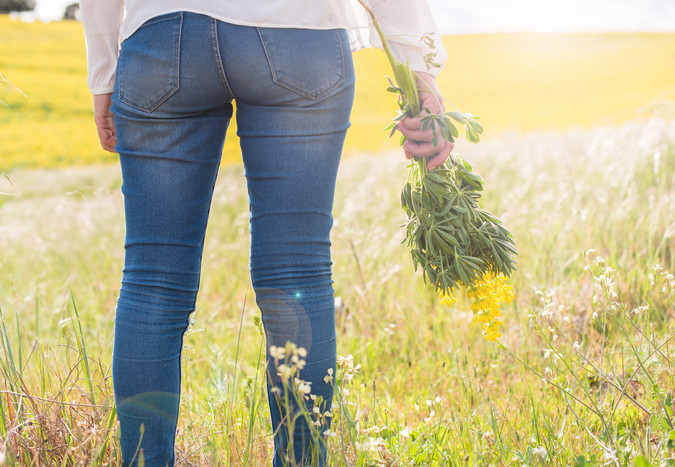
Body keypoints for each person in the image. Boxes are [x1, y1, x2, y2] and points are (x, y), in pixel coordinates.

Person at [79, 0, 452, 465]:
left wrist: (104, 74)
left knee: (153, 281)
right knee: (298, 270)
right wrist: (423, 76)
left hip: (162, 35)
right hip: (297, 32)